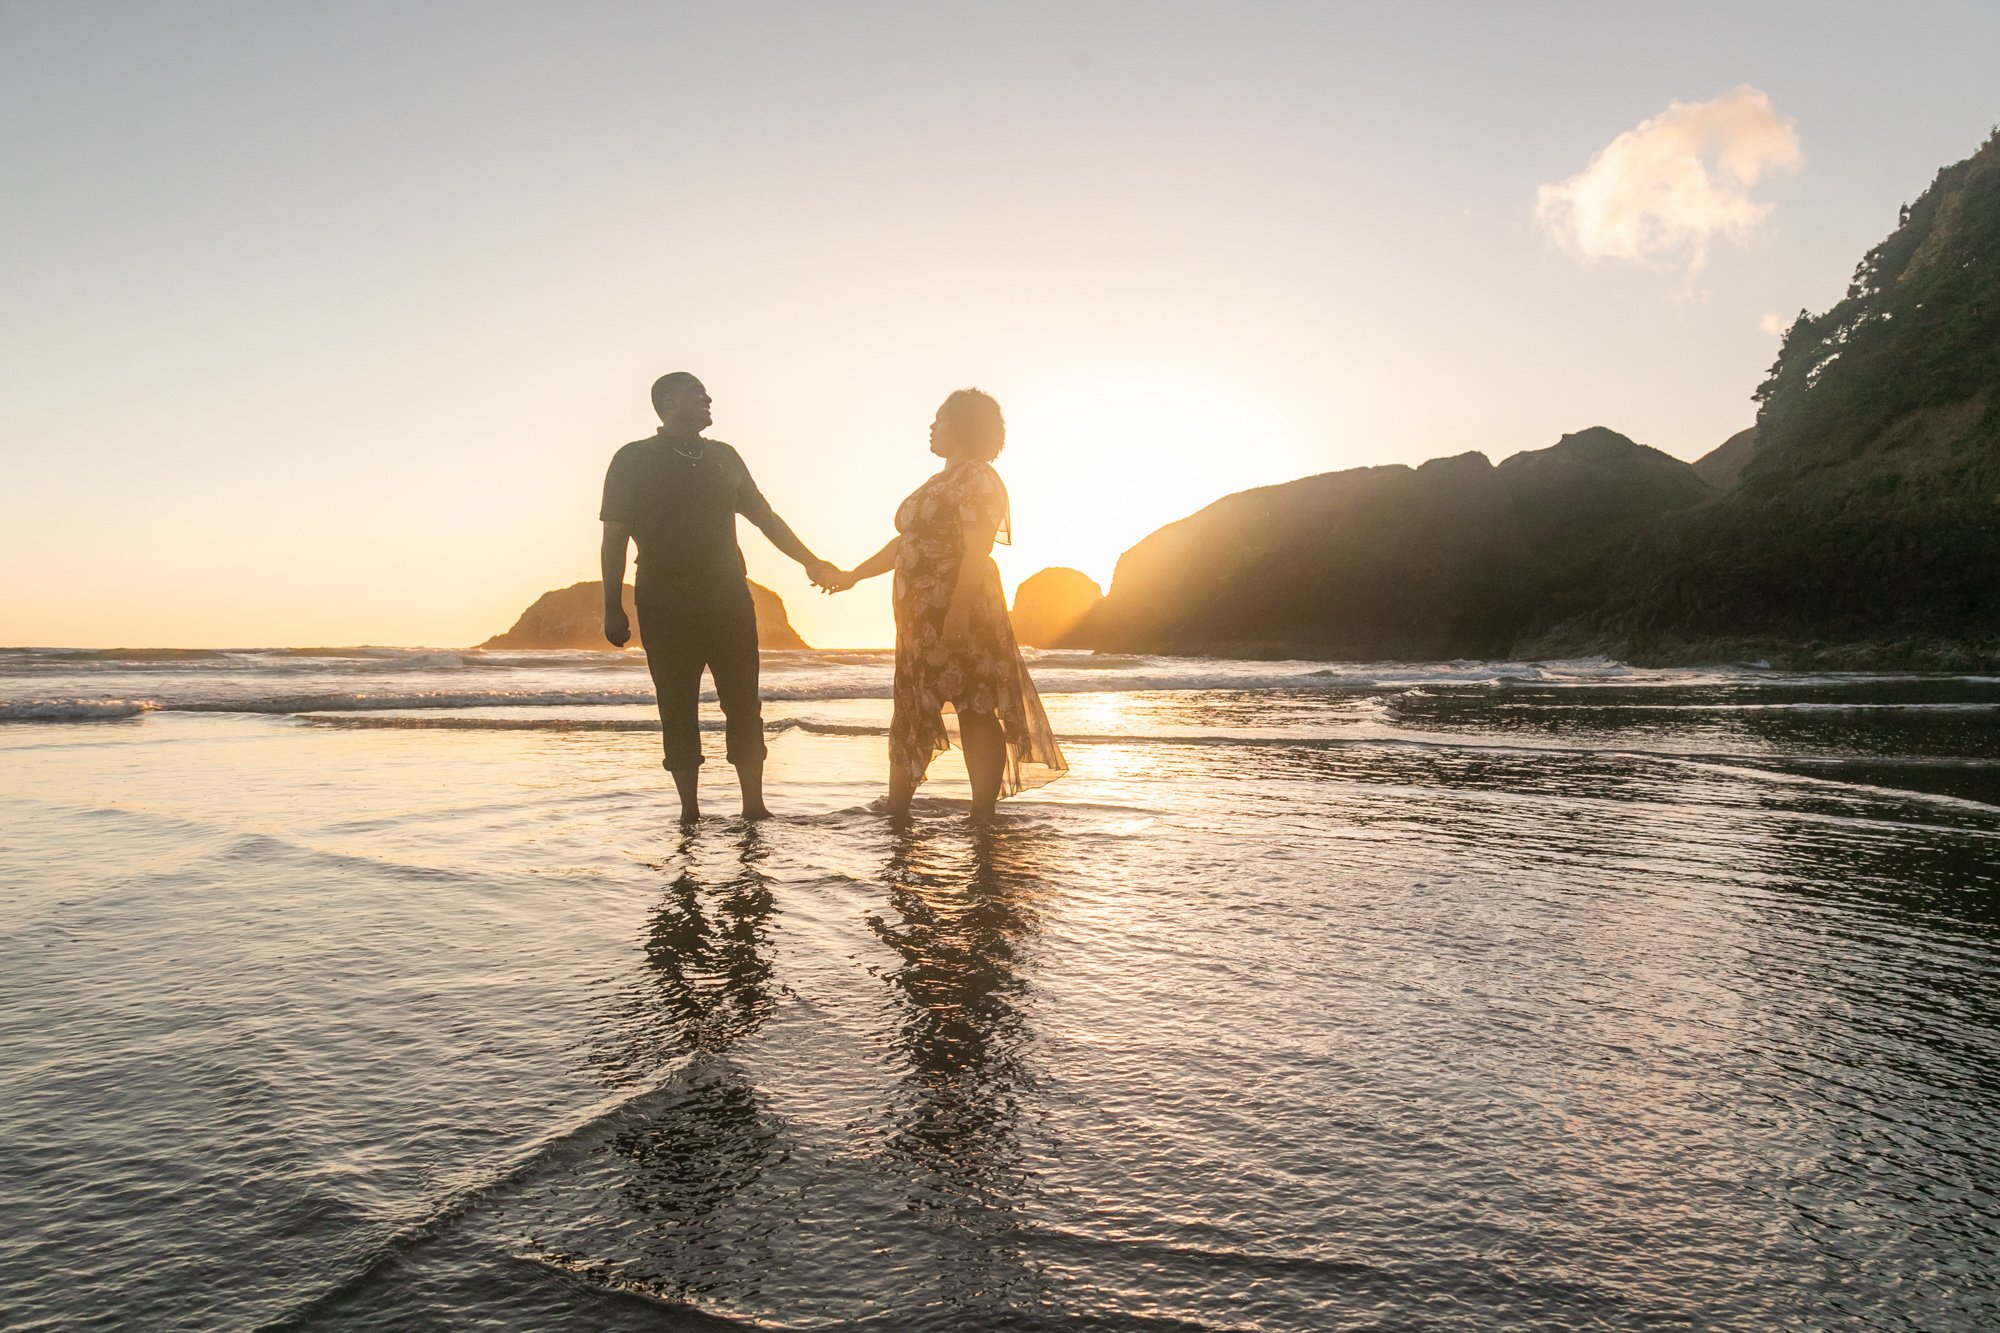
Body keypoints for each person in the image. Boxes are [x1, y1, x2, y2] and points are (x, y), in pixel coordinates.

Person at [601, 372, 838, 822]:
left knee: (744, 703)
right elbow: (614, 537)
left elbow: (765, 517)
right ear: (669, 402)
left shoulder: (725, 457)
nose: (709, 399)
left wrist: (809, 561)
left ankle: (755, 808)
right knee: (676, 705)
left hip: (728, 599)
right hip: (664, 604)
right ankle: (689, 812)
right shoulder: (632, 460)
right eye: (697, 393)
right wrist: (612, 606)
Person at [823, 389, 1066, 822]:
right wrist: (854, 575)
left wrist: (957, 609)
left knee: (975, 705)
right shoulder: (940, 481)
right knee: (915, 705)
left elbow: (977, 550)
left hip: (961, 609)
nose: (932, 428)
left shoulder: (978, 477)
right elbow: (906, 543)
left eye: (940, 420)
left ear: (964, 427)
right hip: (919, 618)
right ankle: (898, 809)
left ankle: (980, 814)